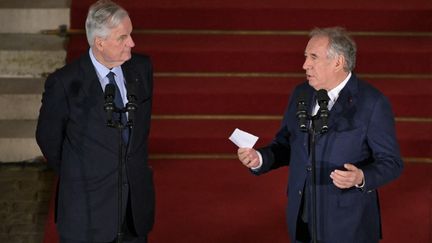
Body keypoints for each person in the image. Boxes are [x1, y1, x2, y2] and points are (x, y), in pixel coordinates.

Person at [237, 27, 403, 243]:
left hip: (348, 226)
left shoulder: (372, 103)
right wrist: (259, 158)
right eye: (306, 57)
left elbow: (392, 163)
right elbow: (287, 144)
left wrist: (361, 177)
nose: (305, 65)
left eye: (313, 57)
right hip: (303, 219)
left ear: (338, 62)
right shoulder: (301, 93)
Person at [36, 1, 154, 242]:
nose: (131, 43)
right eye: (123, 37)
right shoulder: (65, 83)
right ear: (99, 43)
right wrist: (81, 171)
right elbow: (48, 139)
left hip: (134, 209)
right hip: (87, 211)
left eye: (130, 34)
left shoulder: (141, 68)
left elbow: (140, 133)